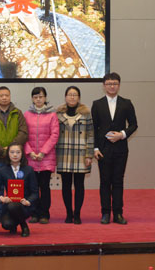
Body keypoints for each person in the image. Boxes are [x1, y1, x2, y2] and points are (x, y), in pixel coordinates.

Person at [92, 72, 138, 225]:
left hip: (120, 148)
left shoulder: (126, 103)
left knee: (118, 181)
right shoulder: (97, 104)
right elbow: (94, 128)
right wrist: (95, 148)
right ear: (104, 86)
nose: (112, 86)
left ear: (119, 85)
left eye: (115, 84)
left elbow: (134, 124)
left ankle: (118, 213)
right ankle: (105, 213)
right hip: (103, 150)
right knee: (105, 181)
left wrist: (122, 134)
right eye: (109, 84)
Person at [57, 86, 94, 224]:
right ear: (65, 97)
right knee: (66, 185)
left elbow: (91, 134)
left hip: (81, 154)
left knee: (79, 185)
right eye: (70, 94)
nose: (72, 97)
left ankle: (77, 213)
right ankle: (68, 213)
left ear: (79, 97)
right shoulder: (58, 114)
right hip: (64, 153)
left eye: (75, 95)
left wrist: (89, 154)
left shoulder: (86, 113)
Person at [24, 87, 59, 224]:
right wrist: (30, 152)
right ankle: (34, 213)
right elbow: (23, 135)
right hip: (31, 157)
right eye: (35, 97)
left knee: (44, 187)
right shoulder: (27, 114)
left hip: (46, 157)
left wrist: (43, 152)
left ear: (45, 98)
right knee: (32, 187)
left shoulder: (52, 115)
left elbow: (54, 135)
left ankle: (44, 214)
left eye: (41, 97)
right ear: (32, 99)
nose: (38, 99)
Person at [0, 143, 38, 237]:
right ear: (8, 154)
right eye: (12, 152)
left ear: (22, 154)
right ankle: (15, 223)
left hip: (24, 205)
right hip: (9, 204)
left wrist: (28, 201)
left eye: (18, 152)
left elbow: (35, 192)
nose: (15, 155)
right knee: (7, 225)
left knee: (13, 206)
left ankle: (24, 225)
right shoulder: (2, 170)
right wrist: (1, 198)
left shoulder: (29, 170)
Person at [0, 86, 28, 168]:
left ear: (10, 97)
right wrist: (3, 150)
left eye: (7, 95)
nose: (4, 98)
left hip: (15, 157)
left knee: (15, 177)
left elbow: (23, 132)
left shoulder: (18, 113)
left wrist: (11, 149)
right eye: (1, 96)